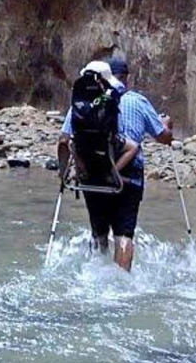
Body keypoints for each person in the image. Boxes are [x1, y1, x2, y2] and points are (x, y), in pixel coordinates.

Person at [56, 57, 174, 272]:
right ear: (125, 79)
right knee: (124, 234)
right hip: (127, 175)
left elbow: (64, 140)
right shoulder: (137, 101)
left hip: (92, 173)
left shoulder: (81, 103)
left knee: (99, 232)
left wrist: (64, 176)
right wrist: (166, 124)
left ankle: (96, 275)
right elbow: (164, 138)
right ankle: (121, 282)